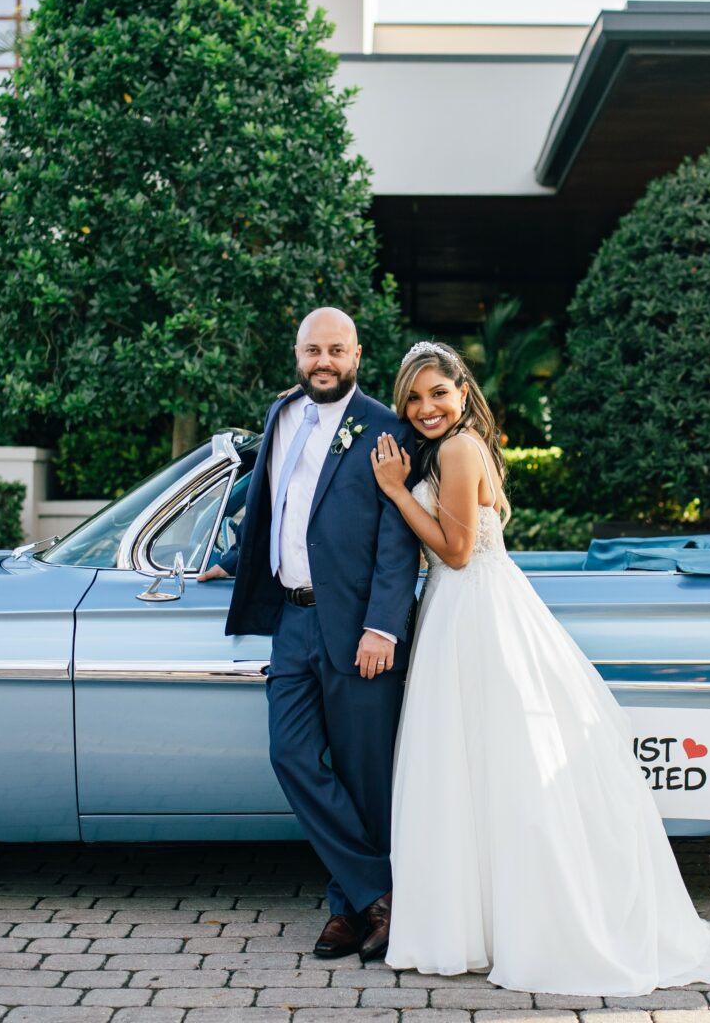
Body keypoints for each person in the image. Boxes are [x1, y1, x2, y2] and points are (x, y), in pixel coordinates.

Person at [369, 340, 710, 996]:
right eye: (413, 398)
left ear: (463, 392)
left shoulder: (459, 450)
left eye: (438, 392)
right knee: (478, 773)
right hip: (461, 610)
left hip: (473, 613)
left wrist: (394, 491)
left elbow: (458, 551)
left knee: (483, 769)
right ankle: (485, 923)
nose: (426, 407)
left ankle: (505, 926)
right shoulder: (448, 450)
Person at [197, 308, 419, 963]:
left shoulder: (385, 427)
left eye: (335, 351)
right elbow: (274, 504)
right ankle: (379, 894)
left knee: (363, 775)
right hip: (292, 622)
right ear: (298, 354)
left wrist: (383, 625)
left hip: (357, 626)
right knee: (290, 755)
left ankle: (348, 910)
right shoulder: (282, 414)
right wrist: (233, 560)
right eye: (312, 350)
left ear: (357, 355)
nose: (323, 362)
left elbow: (398, 538)